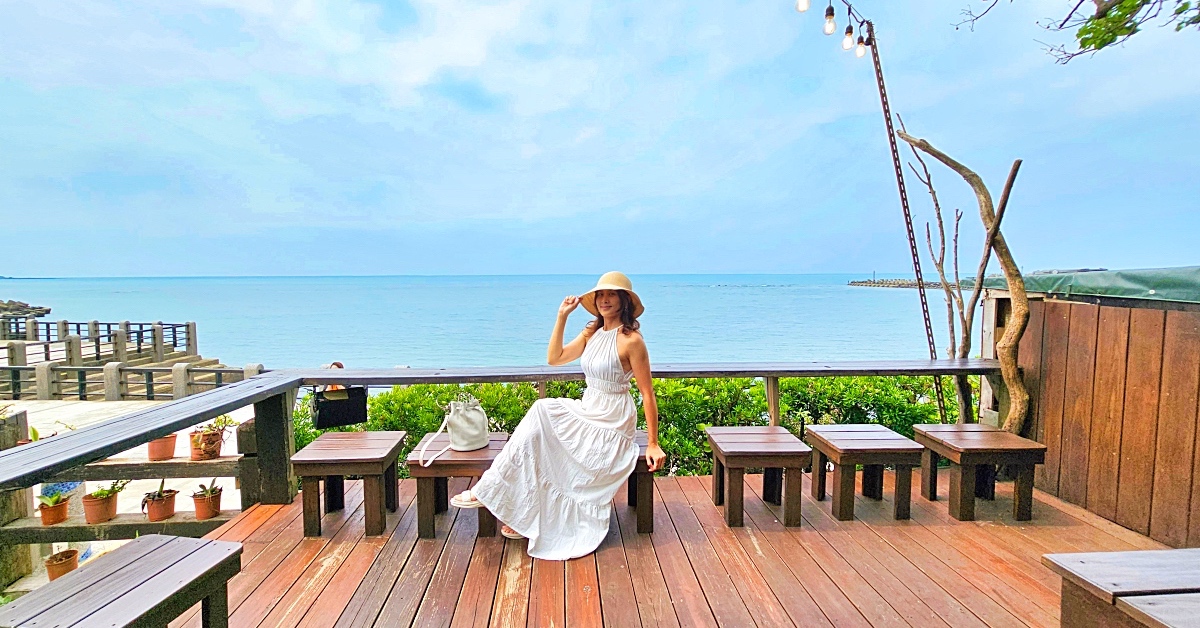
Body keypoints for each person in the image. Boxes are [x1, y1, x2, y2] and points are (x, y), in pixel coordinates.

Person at [450, 271, 667, 560]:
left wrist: (652, 442)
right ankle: (521, 512)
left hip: (612, 418)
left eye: (611, 294)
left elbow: (647, 393)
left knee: (543, 412)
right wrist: (562, 316)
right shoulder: (593, 333)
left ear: (624, 300)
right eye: (600, 295)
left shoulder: (632, 341)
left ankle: (491, 492)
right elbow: (554, 358)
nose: (604, 300)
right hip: (589, 407)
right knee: (541, 427)